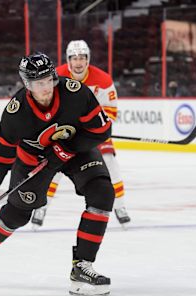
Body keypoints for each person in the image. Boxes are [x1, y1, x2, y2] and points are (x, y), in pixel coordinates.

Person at [0, 52, 115, 296]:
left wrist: (65, 148)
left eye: (48, 80)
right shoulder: (15, 113)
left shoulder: (76, 93)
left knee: (102, 192)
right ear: (27, 84)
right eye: (37, 83)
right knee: (17, 215)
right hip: (33, 160)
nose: (45, 88)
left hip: (74, 150)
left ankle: (82, 267)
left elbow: (102, 131)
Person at [31, 40, 131, 229]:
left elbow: (110, 113)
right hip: (64, 132)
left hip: (93, 133)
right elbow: (45, 106)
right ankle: (41, 206)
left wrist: (91, 128)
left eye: (82, 58)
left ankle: (120, 206)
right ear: (68, 60)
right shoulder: (56, 77)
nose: (78, 62)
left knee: (109, 161)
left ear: (88, 59)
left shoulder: (102, 80)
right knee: (53, 165)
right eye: (74, 58)